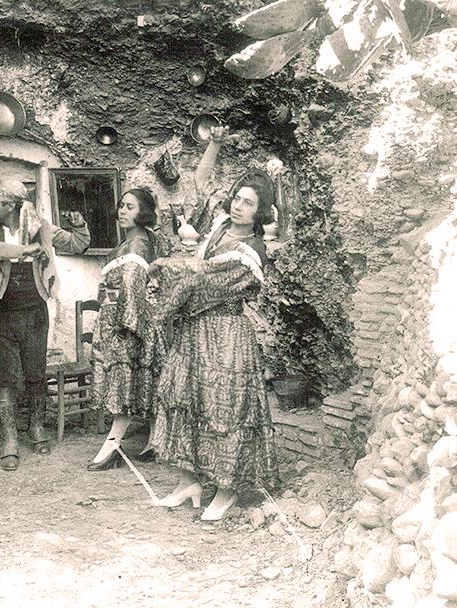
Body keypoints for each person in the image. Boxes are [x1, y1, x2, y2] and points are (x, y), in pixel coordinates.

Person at [149, 125, 280, 521]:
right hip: (194, 332)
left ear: (260, 213)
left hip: (225, 333)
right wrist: (215, 144)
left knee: (224, 409)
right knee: (188, 400)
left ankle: (226, 489)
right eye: (237, 199)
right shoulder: (219, 226)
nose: (239, 206)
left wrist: (163, 267)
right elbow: (197, 186)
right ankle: (190, 481)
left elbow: (202, 279)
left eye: (249, 203)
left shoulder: (252, 250)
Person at [0, 176, 90, 471]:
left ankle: (37, 428)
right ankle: (9, 439)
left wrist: (80, 225)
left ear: (10, 206)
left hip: (35, 312)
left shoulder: (41, 228)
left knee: (35, 373)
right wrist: (21, 251)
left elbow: (78, 244)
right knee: (4, 377)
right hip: (0, 312)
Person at [86, 187, 162, 471]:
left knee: (123, 381)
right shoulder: (127, 243)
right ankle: (156, 441)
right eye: (120, 206)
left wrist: (125, 326)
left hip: (126, 320)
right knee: (141, 380)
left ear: (142, 213)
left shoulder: (137, 245)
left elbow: (132, 287)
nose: (122, 211)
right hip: (116, 314)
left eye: (129, 207)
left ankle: (112, 445)